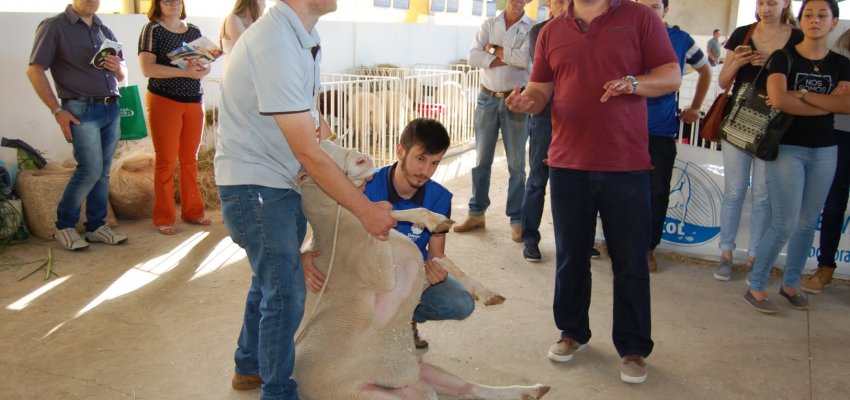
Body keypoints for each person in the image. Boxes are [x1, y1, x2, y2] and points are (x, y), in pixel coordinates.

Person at [213, 0, 396, 398]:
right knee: (286, 291)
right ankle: (278, 391)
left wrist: (346, 160)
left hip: (279, 180)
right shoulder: (275, 42)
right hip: (255, 185)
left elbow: (314, 125)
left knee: (270, 282)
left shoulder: (304, 36)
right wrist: (364, 211)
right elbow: (310, 152)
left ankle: (248, 365)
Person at [506, 0, 680, 384]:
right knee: (570, 256)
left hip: (626, 165)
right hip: (568, 164)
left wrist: (634, 83)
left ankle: (633, 348)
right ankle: (572, 332)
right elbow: (540, 88)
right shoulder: (552, 30)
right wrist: (527, 102)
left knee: (630, 262)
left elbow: (671, 75)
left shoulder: (640, 17)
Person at [302, 118, 475, 350]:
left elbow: (436, 254)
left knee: (461, 303)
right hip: (363, 273)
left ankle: (403, 321)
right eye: (420, 159)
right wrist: (304, 253)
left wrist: (437, 271)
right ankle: (362, 328)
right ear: (400, 151)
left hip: (406, 274)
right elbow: (328, 228)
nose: (426, 171)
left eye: (434, 163)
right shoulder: (365, 184)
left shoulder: (440, 198)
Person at [745, 0, 850, 313]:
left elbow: (846, 106)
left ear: (834, 23)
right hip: (788, 148)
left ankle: (791, 284)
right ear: (800, 20)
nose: (814, 20)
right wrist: (826, 101)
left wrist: (801, 94)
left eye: (822, 15)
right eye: (808, 14)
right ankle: (756, 285)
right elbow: (778, 99)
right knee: (785, 222)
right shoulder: (784, 57)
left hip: (826, 149)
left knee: (806, 224)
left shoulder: (842, 65)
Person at [26, 0, 128, 251]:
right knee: (90, 170)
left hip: (111, 107)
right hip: (80, 109)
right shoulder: (54, 27)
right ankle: (64, 226)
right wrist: (57, 110)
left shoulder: (104, 29)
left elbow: (123, 72)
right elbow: (35, 70)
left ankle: (96, 226)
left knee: (102, 171)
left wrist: (118, 68)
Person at [713, 0, 802, 282]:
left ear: (785, 3)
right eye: (761, 2)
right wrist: (738, 61)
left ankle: (755, 257)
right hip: (738, 120)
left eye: (772, 2)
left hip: (774, 124)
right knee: (735, 190)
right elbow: (723, 81)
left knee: (764, 195)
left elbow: (800, 83)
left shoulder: (797, 37)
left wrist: (775, 66)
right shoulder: (743, 33)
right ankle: (725, 254)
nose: (765, 8)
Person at [638, 0, 712, 272]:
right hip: (623, 130)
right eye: (643, 5)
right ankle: (619, 244)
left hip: (660, 131)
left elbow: (705, 70)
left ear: (665, 10)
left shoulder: (680, 39)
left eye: (655, 6)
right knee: (617, 191)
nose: (648, 11)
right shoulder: (624, 34)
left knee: (657, 192)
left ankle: (648, 249)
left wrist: (695, 107)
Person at [453, 0, 532, 243]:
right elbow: (473, 57)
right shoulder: (488, 23)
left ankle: (517, 219)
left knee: (517, 165)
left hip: (516, 100)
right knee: (481, 160)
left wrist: (493, 50)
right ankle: (476, 213)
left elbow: (525, 59)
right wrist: (508, 57)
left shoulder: (533, 28)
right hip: (487, 98)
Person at [139, 0, 212, 236]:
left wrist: (201, 68)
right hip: (164, 99)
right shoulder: (152, 29)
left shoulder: (193, 30)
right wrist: (184, 72)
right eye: (166, 0)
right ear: (157, 4)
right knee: (166, 160)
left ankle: (193, 212)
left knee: (190, 159)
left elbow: (205, 67)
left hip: (194, 100)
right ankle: (164, 216)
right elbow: (147, 69)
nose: (172, 3)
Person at [803, 29, 850, 294]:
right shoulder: (841, 47)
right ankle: (826, 267)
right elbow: (836, 98)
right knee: (833, 205)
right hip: (841, 134)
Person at [220, 0, 265, 72]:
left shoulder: (255, 23)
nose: (265, 5)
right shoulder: (233, 19)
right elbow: (246, 49)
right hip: (234, 76)